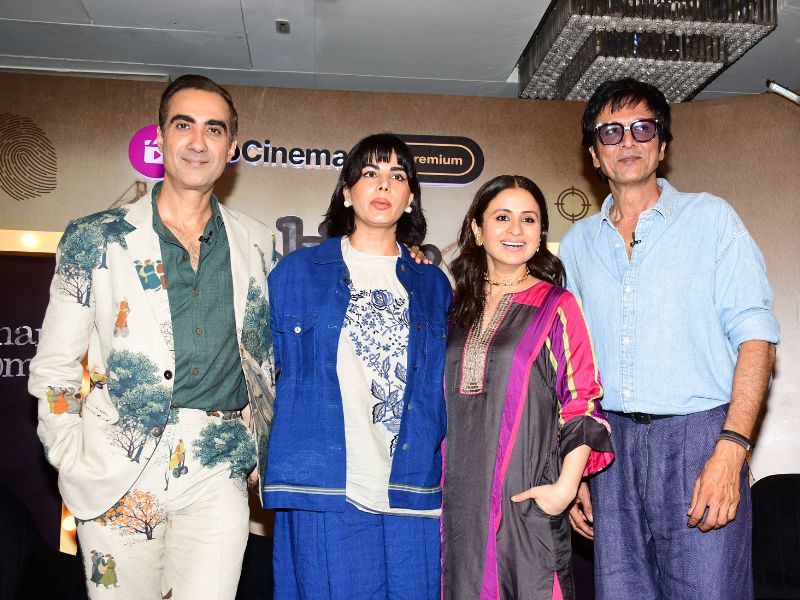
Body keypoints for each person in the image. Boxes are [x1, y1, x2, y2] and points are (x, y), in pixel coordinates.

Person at [28, 74, 276, 599]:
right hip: (117, 461)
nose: (198, 141)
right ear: (160, 138)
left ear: (232, 147)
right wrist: (70, 455)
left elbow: (269, 356)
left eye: (214, 129)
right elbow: (54, 365)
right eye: (184, 125)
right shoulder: (95, 236)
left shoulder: (257, 242)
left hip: (219, 464)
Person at [559, 78, 779, 599]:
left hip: (700, 441)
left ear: (662, 146)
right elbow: (569, 371)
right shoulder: (576, 246)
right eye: (611, 132)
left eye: (643, 128)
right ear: (594, 153)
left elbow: (757, 341)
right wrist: (578, 470)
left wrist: (732, 449)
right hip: (609, 450)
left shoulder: (712, 220)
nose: (628, 141)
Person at [264, 133, 451, 599]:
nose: (383, 185)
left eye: (397, 176)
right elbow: (264, 373)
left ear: (411, 198)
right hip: (329, 486)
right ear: (347, 192)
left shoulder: (433, 284)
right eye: (370, 173)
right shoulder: (296, 273)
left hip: (412, 487)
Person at [442, 175, 614, 599]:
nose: (516, 230)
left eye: (529, 219)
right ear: (478, 229)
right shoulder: (453, 307)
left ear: (540, 235)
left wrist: (564, 489)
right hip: (456, 507)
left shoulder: (556, 306)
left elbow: (582, 402)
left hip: (524, 504)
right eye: (502, 218)